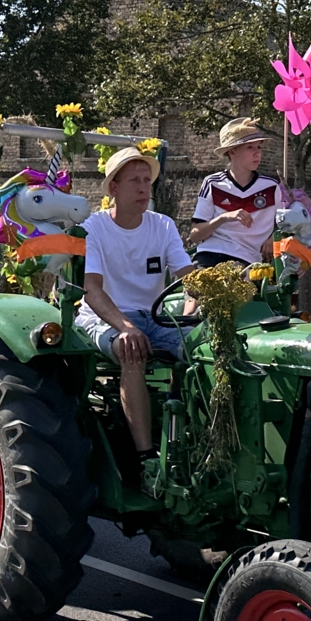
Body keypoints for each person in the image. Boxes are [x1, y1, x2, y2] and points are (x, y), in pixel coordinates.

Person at [77, 147, 193, 471]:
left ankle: (193, 442)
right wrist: (126, 327)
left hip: (154, 318)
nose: (144, 188)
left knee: (203, 347)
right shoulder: (94, 227)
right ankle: (146, 457)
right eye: (135, 181)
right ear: (114, 187)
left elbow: (188, 276)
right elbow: (92, 290)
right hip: (104, 316)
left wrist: (214, 290)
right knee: (132, 349)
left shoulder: (163, 225)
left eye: (148, 180)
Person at [186, 118, 285, 267]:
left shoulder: (272, 187)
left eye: (259, 147)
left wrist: (273, 239)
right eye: (250, 147)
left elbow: (288, 225)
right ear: (232, 151)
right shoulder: (212, 183)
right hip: (208, 254)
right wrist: (224, 218)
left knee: (232, 285)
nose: (257, 153)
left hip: (246, 259)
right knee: (196, 286)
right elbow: (195, 235)